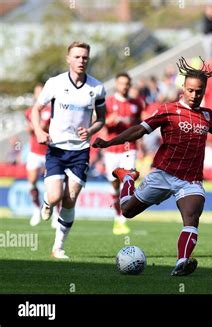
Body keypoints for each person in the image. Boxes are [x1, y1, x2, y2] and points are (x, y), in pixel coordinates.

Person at [93, 57, 212, 276]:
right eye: (191, 90)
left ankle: (181, 262)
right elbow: (140, 129)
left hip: (191, 179)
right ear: (183, 89)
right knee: (127, 211)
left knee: (192, 218)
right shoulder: (168, 110)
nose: (195, 95)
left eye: (199, 91)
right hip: (163, 174)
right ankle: (128, 178)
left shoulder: (207, 115)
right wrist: (110, 142)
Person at [31, 41, 106, 259]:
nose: (81, 61)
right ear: (68, 59)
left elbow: (101, 119)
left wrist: (91, 130)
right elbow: (36, 109)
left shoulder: (97, 88)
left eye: (85, 57)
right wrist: (38, 131)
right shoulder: (54, 83)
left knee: (70, 197)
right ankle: (47, 202)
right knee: (55, 196)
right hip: (56, 148)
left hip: (80, 151)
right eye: (77, 57)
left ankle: (58, 247)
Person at [104, 72, 143, 235]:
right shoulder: (108, 103)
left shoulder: (136, 103)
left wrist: (141, 145)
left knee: (128, 179)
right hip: (112, 150)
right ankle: (117, 216)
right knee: (114, 184)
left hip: (130, 149)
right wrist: (108, 120)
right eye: (121, 83)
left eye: (127, 83)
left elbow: (140, 125)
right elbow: (99, 123)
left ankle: (122, 219)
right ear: (116, 84)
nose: (124, 86)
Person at [26, 83, 59, 228]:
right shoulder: (30, 111)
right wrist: (33, 127)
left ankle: (56, 214)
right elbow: (29, 129)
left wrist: (39, 127)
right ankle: (35, 209)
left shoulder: (52, 109)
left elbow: (47, 128)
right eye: (37, 92)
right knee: (32, 181)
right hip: (34, 151)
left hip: (49, 151)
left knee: (53, 185)